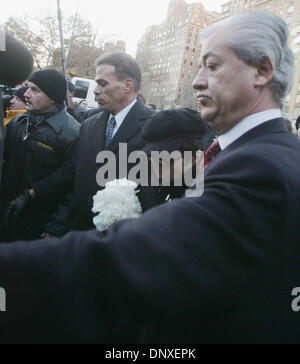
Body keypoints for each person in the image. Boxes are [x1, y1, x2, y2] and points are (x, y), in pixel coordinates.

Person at [0, 11, 300, 344]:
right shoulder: (250, 152)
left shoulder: (261, 167)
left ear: (262, 70)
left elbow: (135, 256)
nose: (197, 81)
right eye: (199, 66)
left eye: (212, 66)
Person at [66, 52, 156, 232]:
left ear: (127, 85)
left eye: (102, 83)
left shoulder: (157, 129)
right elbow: (74, 176)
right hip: (79, 233)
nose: (95, 90)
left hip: (124, 242)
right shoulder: (89, 125)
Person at [0, 69, 80, 241]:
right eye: (28, 88)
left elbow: (73, 187)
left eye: (35, 90)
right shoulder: (17, 122)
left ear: (53, 98)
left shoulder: (72, 134)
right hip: (6, 214)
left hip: (37, 226)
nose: (26, 94)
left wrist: (56, 226)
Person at [137, 107, 213, 211]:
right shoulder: (149, 187)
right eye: (150, 158)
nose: (156, 166)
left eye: (162, 160)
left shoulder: (207, 197)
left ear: (195, 156)